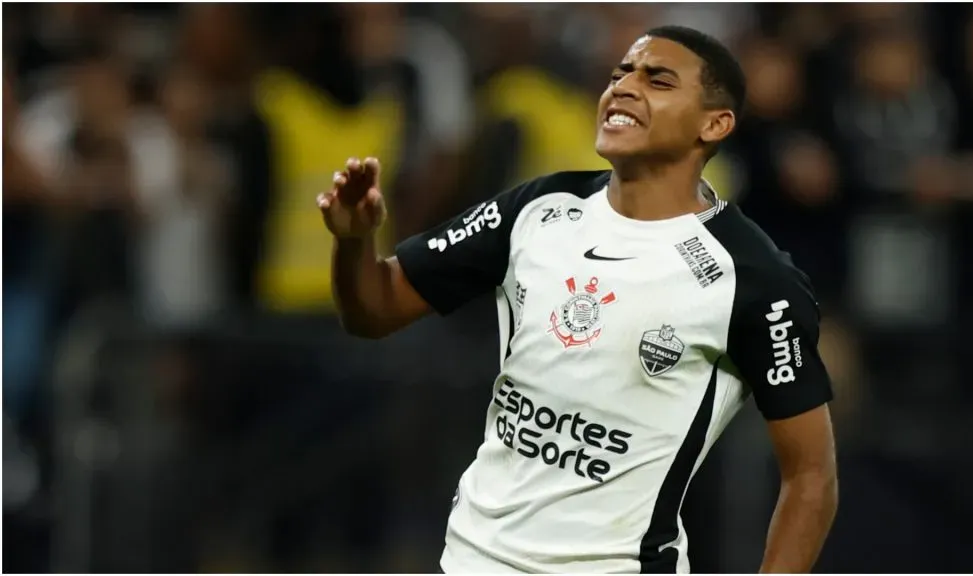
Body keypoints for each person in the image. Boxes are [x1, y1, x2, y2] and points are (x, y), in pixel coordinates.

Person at [318, 26, 838, 574]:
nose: (623, 87)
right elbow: (373, 311)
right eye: (619, 75)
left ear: (715, 124)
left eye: (657, 80)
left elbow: (811, 474)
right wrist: (353, 239)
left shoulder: (752, 278)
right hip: (470, 560)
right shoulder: (539, 208)